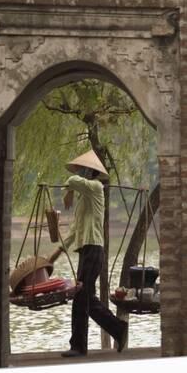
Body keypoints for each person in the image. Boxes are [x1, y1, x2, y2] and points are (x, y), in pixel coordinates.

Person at [48, 150, 127, 358]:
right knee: (86, 298)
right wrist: (54, 256)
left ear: (90, 172)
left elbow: (72, 180)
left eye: (82, 169)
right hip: (86, 250)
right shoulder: (84, 199)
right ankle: (118, 328)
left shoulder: (96, 188)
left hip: (94, 249)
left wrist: (69, 189)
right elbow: (74, 232)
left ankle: (79, 346)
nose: (80, 173)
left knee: (81, 297)